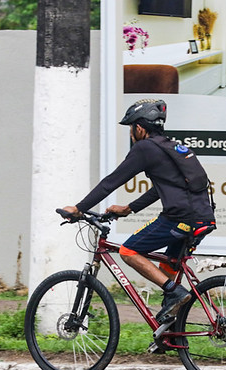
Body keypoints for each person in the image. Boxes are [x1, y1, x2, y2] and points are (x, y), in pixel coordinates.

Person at [61, 99, 216, 324]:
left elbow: (111, 182)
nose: (131, 134)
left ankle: (176, 292)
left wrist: (78, 209)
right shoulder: (169, 146)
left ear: (140, 128)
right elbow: (160, 189)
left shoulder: (146, 148)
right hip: (201, 218)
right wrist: (129, 208)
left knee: (128, 251)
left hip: (180, 218)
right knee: (168, 264)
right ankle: (170, 327)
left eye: (131, 129)